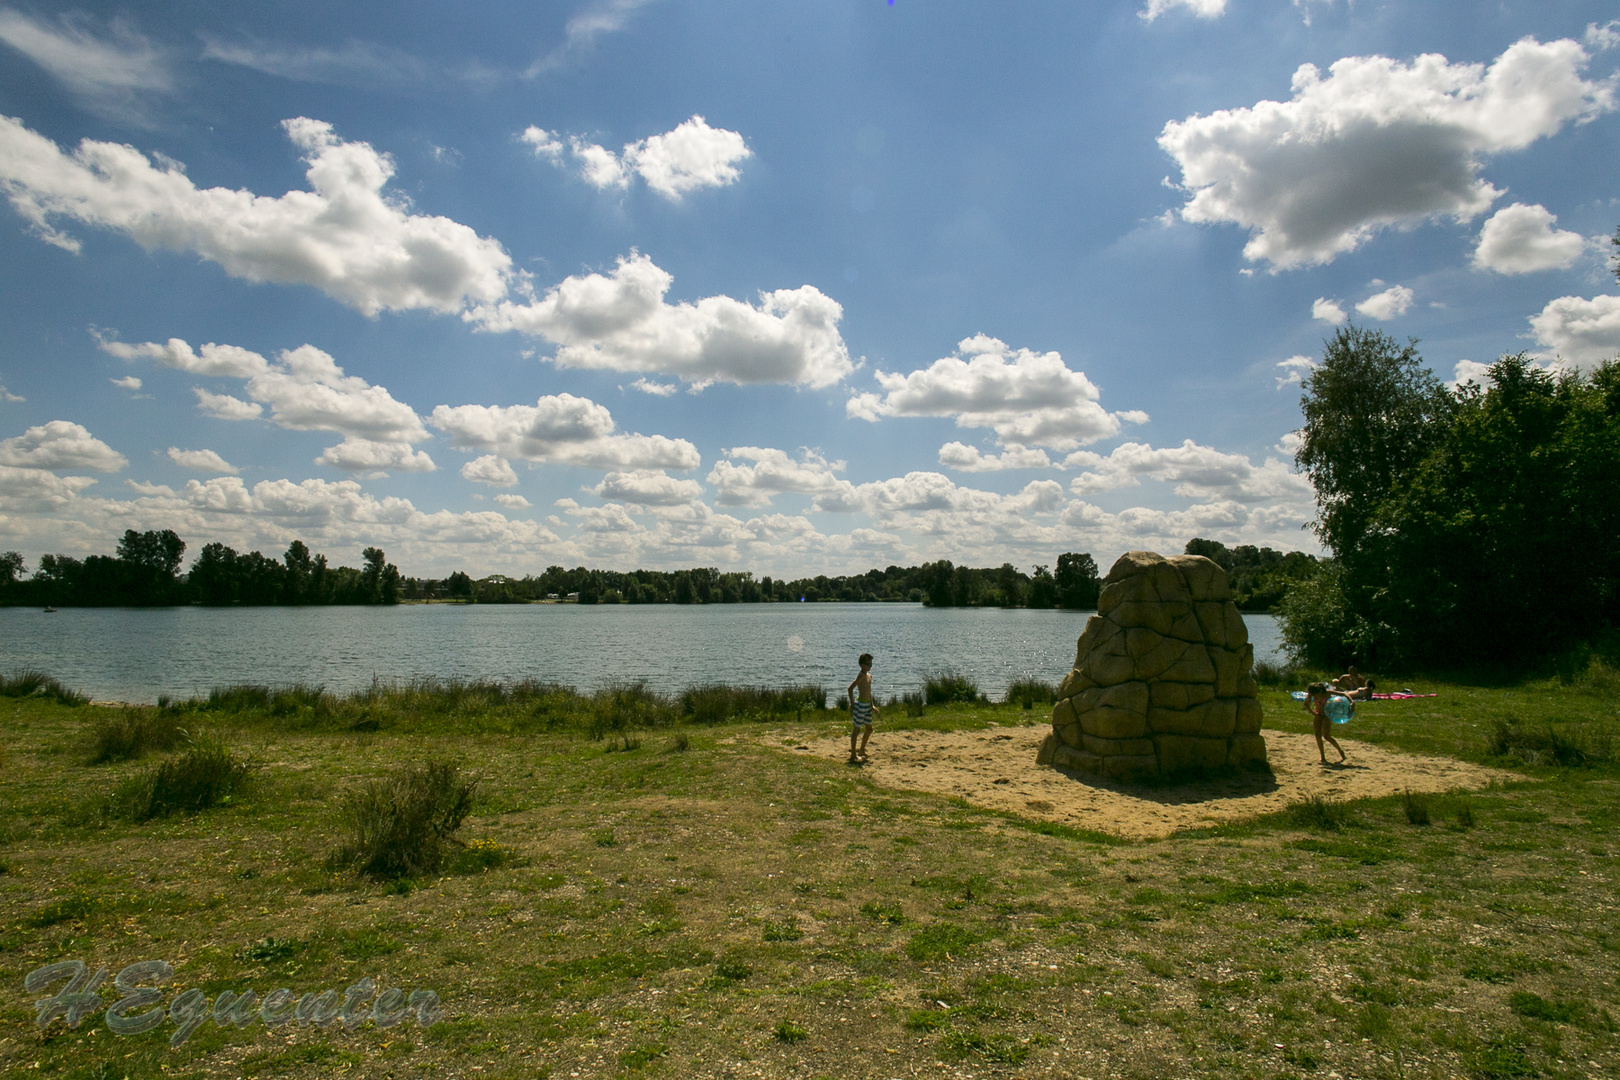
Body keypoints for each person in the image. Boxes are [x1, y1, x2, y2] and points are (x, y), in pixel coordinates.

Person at [1304, 681, 1348, 765]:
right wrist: (1314, 714)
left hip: (1326, 715)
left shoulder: (1327, 693)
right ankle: (1322, 757)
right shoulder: (1312, 695)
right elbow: (1306, 705)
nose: (1313, 696)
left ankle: (1340, 751)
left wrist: (1351, 702)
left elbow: (1343, 694)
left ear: (1319, 691)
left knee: (1326, 736)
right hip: (1317, 714)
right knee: (1317, 735)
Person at [847, 652, 879, 763]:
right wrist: (852, 703)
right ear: (862, 665)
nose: (870, 666)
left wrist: (872, 705)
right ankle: (853, 754)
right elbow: (850, 689)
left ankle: (861, 750)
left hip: (867, 705)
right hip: (860, 705)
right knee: (856, 730)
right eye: (868, 664)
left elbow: (869, 693)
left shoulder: (869, 676)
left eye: (871, 664)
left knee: (869, 729)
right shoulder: (860, 676)